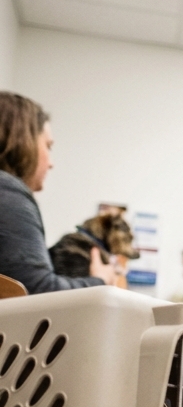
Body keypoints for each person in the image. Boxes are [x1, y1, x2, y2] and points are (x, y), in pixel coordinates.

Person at [0, 92, 115, 293]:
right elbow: (38, 291)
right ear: (23, 142)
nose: (51, 163)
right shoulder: (8, 192)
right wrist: (100, 281)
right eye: (48, 146)